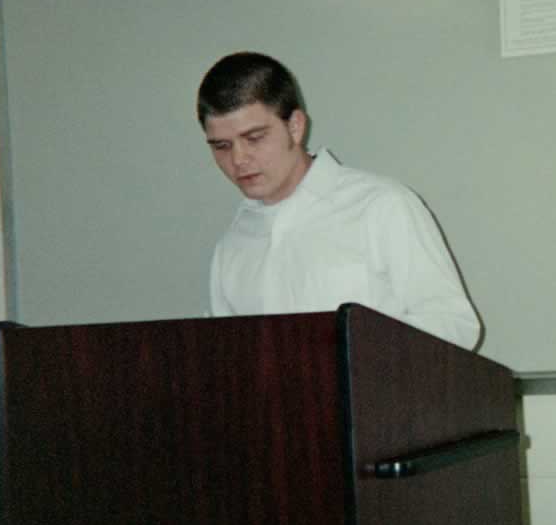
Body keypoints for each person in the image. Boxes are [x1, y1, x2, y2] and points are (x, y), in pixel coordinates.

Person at [198, 51, 481, 350]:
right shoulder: (232, 244)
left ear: (295, 127)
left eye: (254, 138)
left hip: (377, 382)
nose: (238, 159)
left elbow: (455, 326)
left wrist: (353, 349)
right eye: (222, 146)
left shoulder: (380, 206)